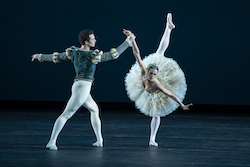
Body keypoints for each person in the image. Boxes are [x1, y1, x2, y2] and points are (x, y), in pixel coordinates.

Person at [31, 29, 133, 150]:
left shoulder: (74, 52)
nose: (95, 40)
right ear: (86, 42)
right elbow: (111, 55)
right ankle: (51, 141)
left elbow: (58, 56)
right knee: (66, 114)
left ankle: (99, 140)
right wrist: (128, 42)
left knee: (94, 110)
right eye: (93, 39)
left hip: (81, 86)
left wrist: (39, 56)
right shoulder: (91, 55)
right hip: (83, 87)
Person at [124, 13, 193, 147]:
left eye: (154, 74)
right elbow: (137, 53)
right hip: (144, 88)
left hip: (155, 94)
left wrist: (182, 104)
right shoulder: (144, 71)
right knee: (159, 53)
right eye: (151, 74)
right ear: (147, 71)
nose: (152, 76)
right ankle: (168, 28)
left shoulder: (156, 81)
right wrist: (132, 39)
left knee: (156, 115)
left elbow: (170, 94)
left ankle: (152, 138)